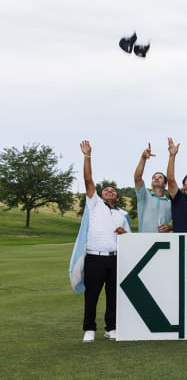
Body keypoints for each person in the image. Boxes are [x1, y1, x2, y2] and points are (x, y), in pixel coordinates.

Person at [79, 141, 130, 342]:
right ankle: (89, 328)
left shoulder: (123, 214)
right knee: (92, 294)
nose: (109, 191)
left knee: (113, 295)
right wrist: (87, 156)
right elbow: (88, 179)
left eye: (113, 190)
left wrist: (123, 233)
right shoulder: (94, 205)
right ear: (100, 195)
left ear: (117, 197)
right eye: (106, 189)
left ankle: (111, 327)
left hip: (114, 258)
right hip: (95, 257)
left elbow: (128, 239)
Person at [133, 142, 171, 233]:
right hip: (144, 242)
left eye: (160, 177)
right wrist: (143, 158)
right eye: (154, 177)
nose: (156, 178)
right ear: (151, 183)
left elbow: (180, 222)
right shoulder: (144, 196)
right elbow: (137, 178)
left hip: (163, 244)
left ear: (165, 184)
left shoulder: (170, 203)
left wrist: (170, 227)